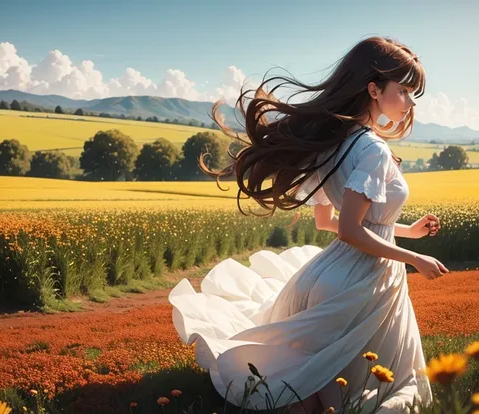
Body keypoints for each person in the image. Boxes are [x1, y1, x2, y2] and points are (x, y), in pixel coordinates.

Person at [168, 36, 449, 414]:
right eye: (403, 91)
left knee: (325, 373)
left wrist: (407, 231)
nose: (410, 103)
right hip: (363, 279)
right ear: (373, 89)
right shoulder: (372, 148)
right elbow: (351, 229)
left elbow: (329, 222)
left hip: (330, 272)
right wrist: (414, 256)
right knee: (375, 388)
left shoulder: (334, 141)